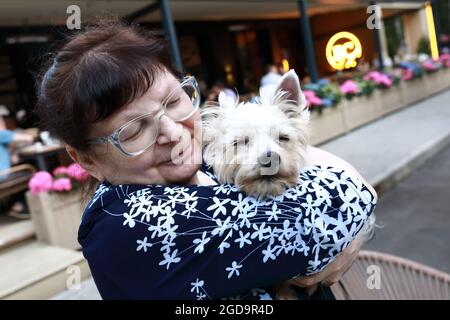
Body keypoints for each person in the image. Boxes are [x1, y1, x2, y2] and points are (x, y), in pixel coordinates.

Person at [36, 21, 377, 300]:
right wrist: (360, 193)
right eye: (134, 128)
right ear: (86, 160)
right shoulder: (128, 226)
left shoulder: (207, 164)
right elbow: (326, 217)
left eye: (173, 100)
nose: (171, 131)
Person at [0, 111, 37, 218]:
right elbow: (29, 138)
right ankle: (19, 205)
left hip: (4, 174)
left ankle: (15, 205)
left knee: (22, 170)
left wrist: (12, 151)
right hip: (3, 176)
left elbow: (13, 159)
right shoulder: (2, 133)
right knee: (31, 172)